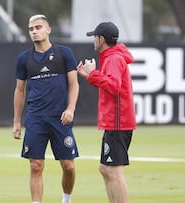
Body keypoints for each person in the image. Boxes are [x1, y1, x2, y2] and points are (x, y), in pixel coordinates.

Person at [12, 14, 79, 203]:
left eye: (38, 27)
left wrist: (71, 109)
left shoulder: (64, 53)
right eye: (31, 29)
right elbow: (19, 90)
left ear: (48, 29)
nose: (34, 31)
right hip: (35, 119)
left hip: (60, 118)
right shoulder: (24, 59)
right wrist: (17, 121)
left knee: (69, 166)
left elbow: (74, 85)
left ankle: (66, 200)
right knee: (35, 166)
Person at [77, 22, 136, 203]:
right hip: (116, 122)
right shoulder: (113, 56)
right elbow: (110, 84)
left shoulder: (112, 59)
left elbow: (113, 86)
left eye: (94, 37)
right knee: (105, 168)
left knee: (114, 171)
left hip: (118, 123)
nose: (93, 41)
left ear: (101, 39)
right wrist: (90, 75)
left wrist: (93, 73)